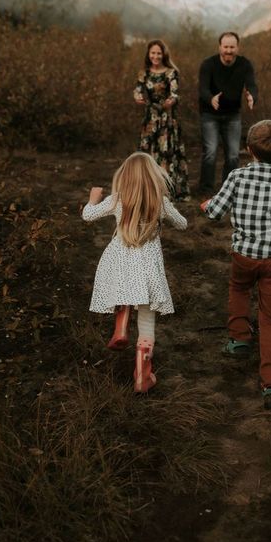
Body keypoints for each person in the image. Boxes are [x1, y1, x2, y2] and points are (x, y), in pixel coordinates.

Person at [200, 120, 271, 409]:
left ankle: (239, 339)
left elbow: (214, 212)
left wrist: (206, 206)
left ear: (248, 149)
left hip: (244, 255)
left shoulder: (237, 177)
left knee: (238, 290)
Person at [82, 152, 187, 393]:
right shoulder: (160, 201)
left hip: (120, 261)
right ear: (154, 177)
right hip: (149, 267)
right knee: (148, 320)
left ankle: (121, 327)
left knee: (122, 288)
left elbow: (88, 216)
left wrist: (93, 198)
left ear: (124, 177)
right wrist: (167, 206)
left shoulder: (117, 199)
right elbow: (183, 223)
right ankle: (143, 376)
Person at [198, 31, 258, 195]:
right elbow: (203, 88)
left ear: (237, 48)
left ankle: (228, 190)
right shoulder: (208, 64)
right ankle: (206, 190)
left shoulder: (245, 64)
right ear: (220, 47)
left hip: (232, 115)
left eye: (232, 47)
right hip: (210, 114)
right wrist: (211, 98)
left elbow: (251, 84)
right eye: (226, 47)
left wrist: (252, 96)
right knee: (210, 152)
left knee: (233, 155)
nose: (228, 51)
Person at [134, 39, 190, 200]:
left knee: (166, 153)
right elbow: (137, 90)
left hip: (167, 118)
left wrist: (172, 100)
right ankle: (147, 189)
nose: (156, 56)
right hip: (150, 118)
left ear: (163, 54)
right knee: (147, 153)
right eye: (153, 53)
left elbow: (175, 93)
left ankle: (166, 191)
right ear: (148, 54)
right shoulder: (144, 72)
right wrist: (137, 96)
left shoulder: (171, 72)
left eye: (159, 53)